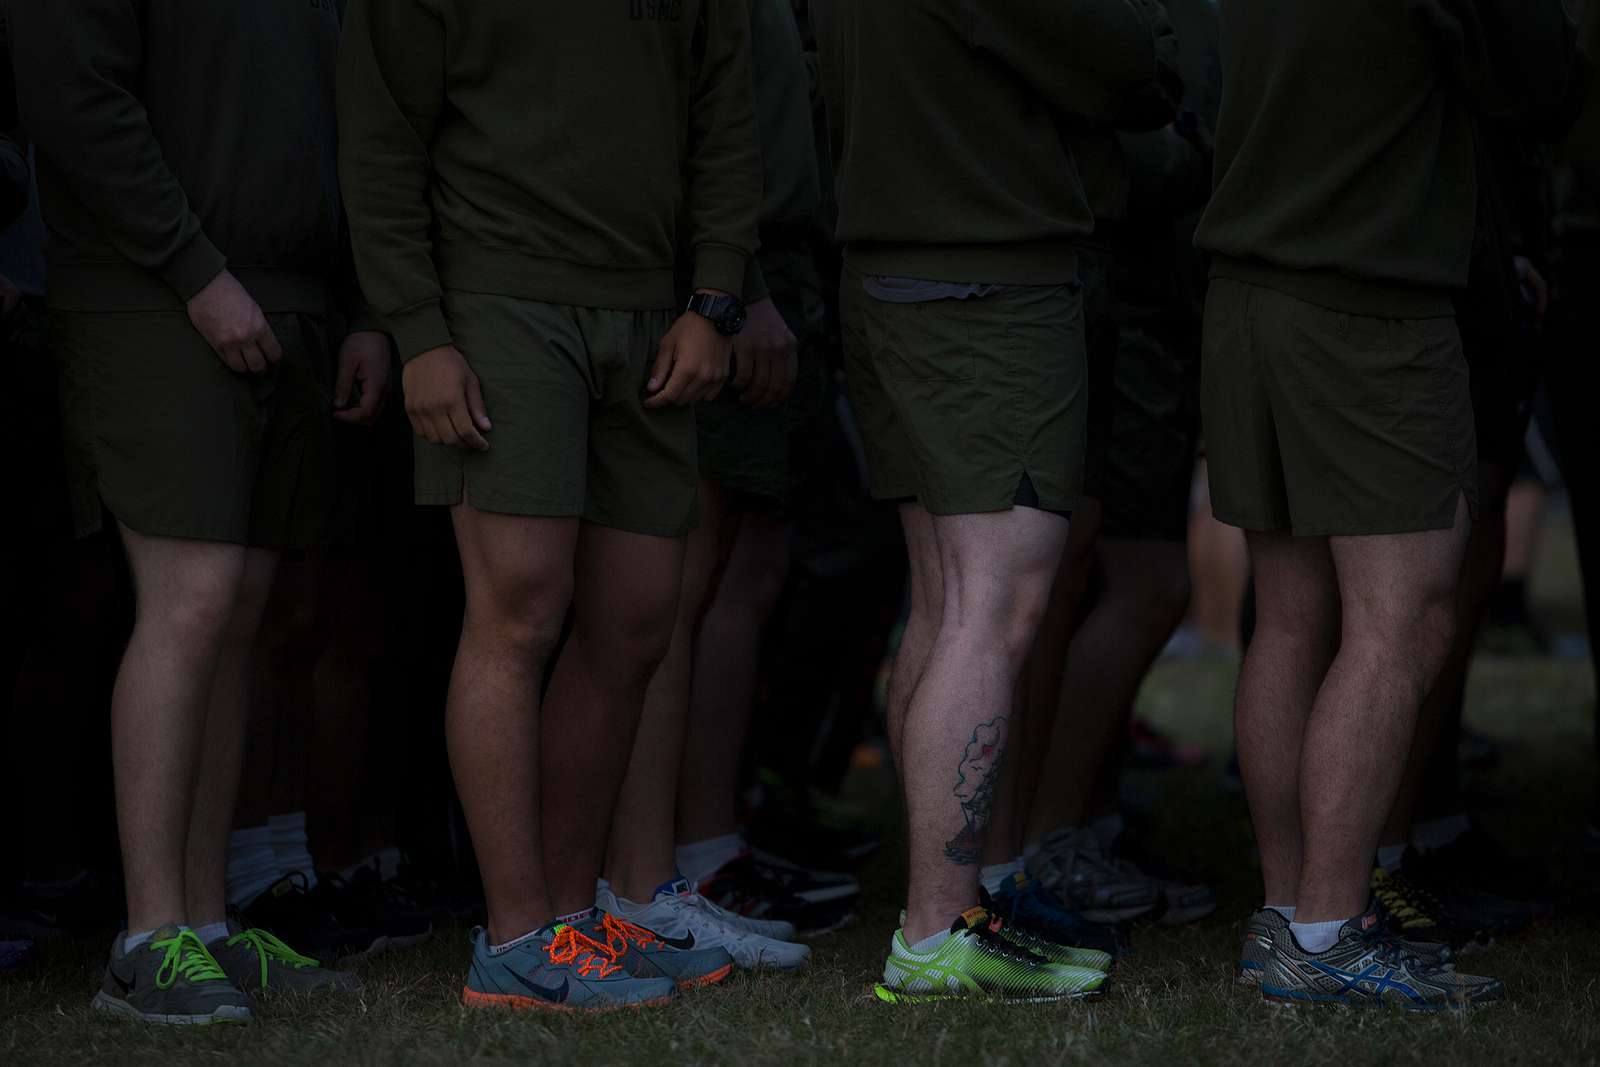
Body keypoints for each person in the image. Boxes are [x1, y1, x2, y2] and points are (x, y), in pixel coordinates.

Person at [339, 0, 762, 1012]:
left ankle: (576, 918)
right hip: (496, 302)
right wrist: (416, 327)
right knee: (520, 605)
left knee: (638, 615)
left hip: (650, 310)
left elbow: (726, 118)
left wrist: (713, 299)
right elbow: (380, 138)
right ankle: (516, 936)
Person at [11, 0, 391, 1023]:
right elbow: (70, 94)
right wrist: (192, 268)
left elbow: (349, 113)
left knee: (239, 615)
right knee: (193, 596)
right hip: (152, 291)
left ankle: (206, 925)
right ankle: (147, 940)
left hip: (294, 297)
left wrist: (359, 305)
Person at [1199, 0, 1583, 1010]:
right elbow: (1539, 85)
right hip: (1366, 295)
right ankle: (1328, 927)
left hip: (1246, 284)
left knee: (1290, 619)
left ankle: (1287, 918)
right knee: (1397, 618)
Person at [815, 0, 1180, 1003]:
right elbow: (1128, 64)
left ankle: (945, 906)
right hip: (983, 278)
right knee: (993, 608)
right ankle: (936, 927)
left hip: (900, 265)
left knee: (945, 603)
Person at [600, 0, 844, 963]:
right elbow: (699, 128)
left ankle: (681, 861)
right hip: (716, 278)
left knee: (722, 583)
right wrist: (739, 288)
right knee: (666, 598)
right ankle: (652, 876)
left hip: (757, 262)